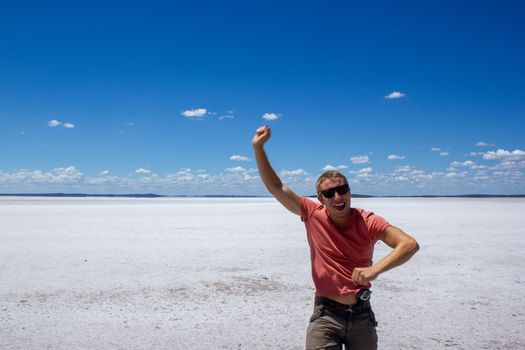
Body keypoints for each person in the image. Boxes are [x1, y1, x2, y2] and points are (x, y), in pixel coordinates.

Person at [252, 125, 419, 350]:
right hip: (326, 314)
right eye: (330, 193)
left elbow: (409, 244)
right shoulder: (312, 213)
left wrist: (374, 269)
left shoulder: (367, 221)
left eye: (342, 190)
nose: (338, 196)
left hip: (361, 315)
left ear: (349, 191)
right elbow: (276, 186)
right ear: (321, 199)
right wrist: (258, 147)